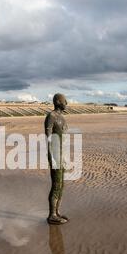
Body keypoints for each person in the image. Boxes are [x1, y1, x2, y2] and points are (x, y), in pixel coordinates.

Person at [45, 93, 69, 225]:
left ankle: (57, 212)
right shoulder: (51, 116)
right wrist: (51, 158)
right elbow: (48, 139)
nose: (67, 103)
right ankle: (51, 215)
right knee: (56, 185)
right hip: (55, 155)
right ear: (58, 101)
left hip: (62, 156)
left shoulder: (62, 118)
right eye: (65, 100)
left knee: (61, 186)